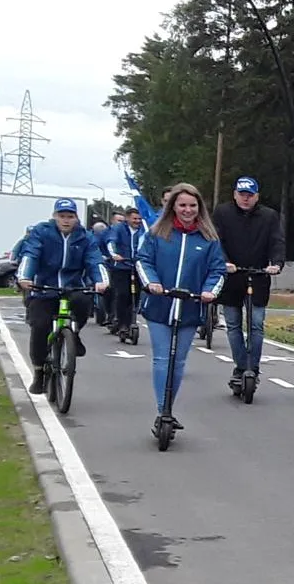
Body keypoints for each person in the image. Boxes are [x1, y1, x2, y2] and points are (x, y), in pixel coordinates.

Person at [133, 185, 225, 430]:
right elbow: (143, 261)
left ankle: (167, 408)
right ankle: (163, 410)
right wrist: (152, 282)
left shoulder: (209, 239)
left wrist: (209, 291)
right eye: (182, 205)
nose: (187, 210)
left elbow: (217, 270)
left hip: (191, 307)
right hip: (160, 305)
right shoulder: (157, 233)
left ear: (199, 208)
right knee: (163, 359)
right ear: (173, 206)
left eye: (192, 206)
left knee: (179, 361)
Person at [16, 198, 108, 394]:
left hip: (73, 287)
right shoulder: (42, 232)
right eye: (62, 216)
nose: (66, 220)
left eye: (70, 216)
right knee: (40, 326)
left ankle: (74, 333)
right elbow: (30, 254)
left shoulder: (85, 237)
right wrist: (25, 277)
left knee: (84, 303)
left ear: (76, 218)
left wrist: (101, 280)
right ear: (55, 216)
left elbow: (94, 259)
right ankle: (39, 371)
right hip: (44, 287)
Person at [211, 176, 284, 384]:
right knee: (233, 324)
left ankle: (253, 367)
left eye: (250, 195)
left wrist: (276, 264)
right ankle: (241, 366)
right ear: (235, 194)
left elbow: (277, 241)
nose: (245, 199)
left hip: (259, 275)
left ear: (256, 196)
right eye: (242, 195)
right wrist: (224, 262)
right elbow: (216, 240)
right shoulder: (223, 213)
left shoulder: (269, 216)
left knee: (256, 324)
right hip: (232, 275)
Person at [105, 208, 145, 337]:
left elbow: (147, 244)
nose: (137, 221)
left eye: (139, 219)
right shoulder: (118, 229)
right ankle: (121, 322)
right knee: (123, 295)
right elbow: (111, 242)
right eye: (135, 218)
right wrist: (114, 254)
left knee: (135, 297)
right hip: (121, 267)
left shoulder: (143, 230)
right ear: (127, 218)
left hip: (137, 267)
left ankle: (130, 322)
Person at [89, 220, 115, 328]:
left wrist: (110, 256)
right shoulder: (90, 238)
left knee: (108, 287)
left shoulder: (108, 236)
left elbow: (110, 247)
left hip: (107, 264)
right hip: (93, 264)